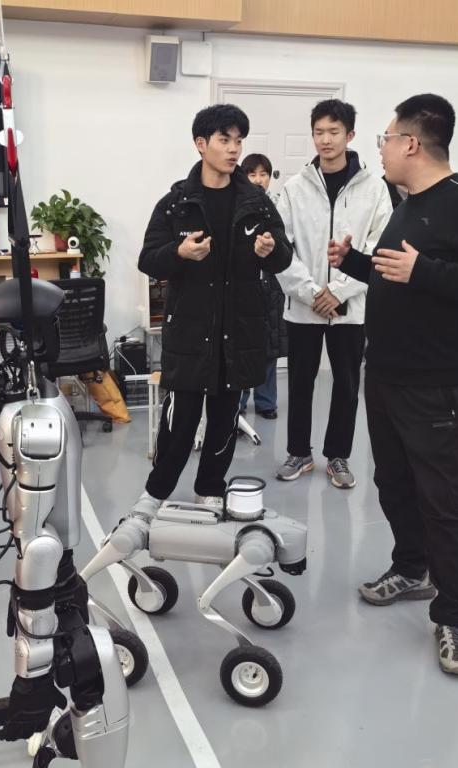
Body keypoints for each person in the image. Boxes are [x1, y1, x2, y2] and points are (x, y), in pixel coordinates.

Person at [329, 94, 458, 675]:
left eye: (386, 138)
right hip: (386, 373)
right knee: (392, 482)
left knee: (443, 499)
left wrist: (426, 270)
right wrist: (355, 263)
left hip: (434, 383)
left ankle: (455, 616)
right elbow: (400, 274)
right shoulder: (407, 203)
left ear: (411, 143)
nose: (381, 149)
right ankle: (412, 568)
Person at [134, 104, 292, 514]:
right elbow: (149, 259)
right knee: (179, 422)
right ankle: (156, 492)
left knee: (224, 421)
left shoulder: (256, 202)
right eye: (225, 140)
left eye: (238, 140)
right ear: (201, 144)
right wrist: (179, 253)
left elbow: (283, 256)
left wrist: (270, 249)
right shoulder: (177, 203)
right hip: (190, 332)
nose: (234, 149)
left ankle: (210, 488)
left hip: (238, 332)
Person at [274, 99, 392, 489]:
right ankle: (299, 452)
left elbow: (378, 248)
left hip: (351, 308)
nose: (325, 140)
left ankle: (338, 455)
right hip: (304, 307)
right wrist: (311, 293)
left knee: (346, 384)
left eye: (333, 132)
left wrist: (340, 291)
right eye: (319, 132)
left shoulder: (374, 189)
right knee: (300, 382)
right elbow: (281, 248)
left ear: (350, 135)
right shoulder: (295, 188)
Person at [238, 152, 285, 420]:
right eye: (252, 174)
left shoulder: (278, 206)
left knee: (269, 347)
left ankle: (266, 402)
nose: (258, 179)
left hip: (272, 286)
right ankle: (239, 403)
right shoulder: (237, 205)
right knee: (242, 348)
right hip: (244, 286)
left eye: (263, 174)